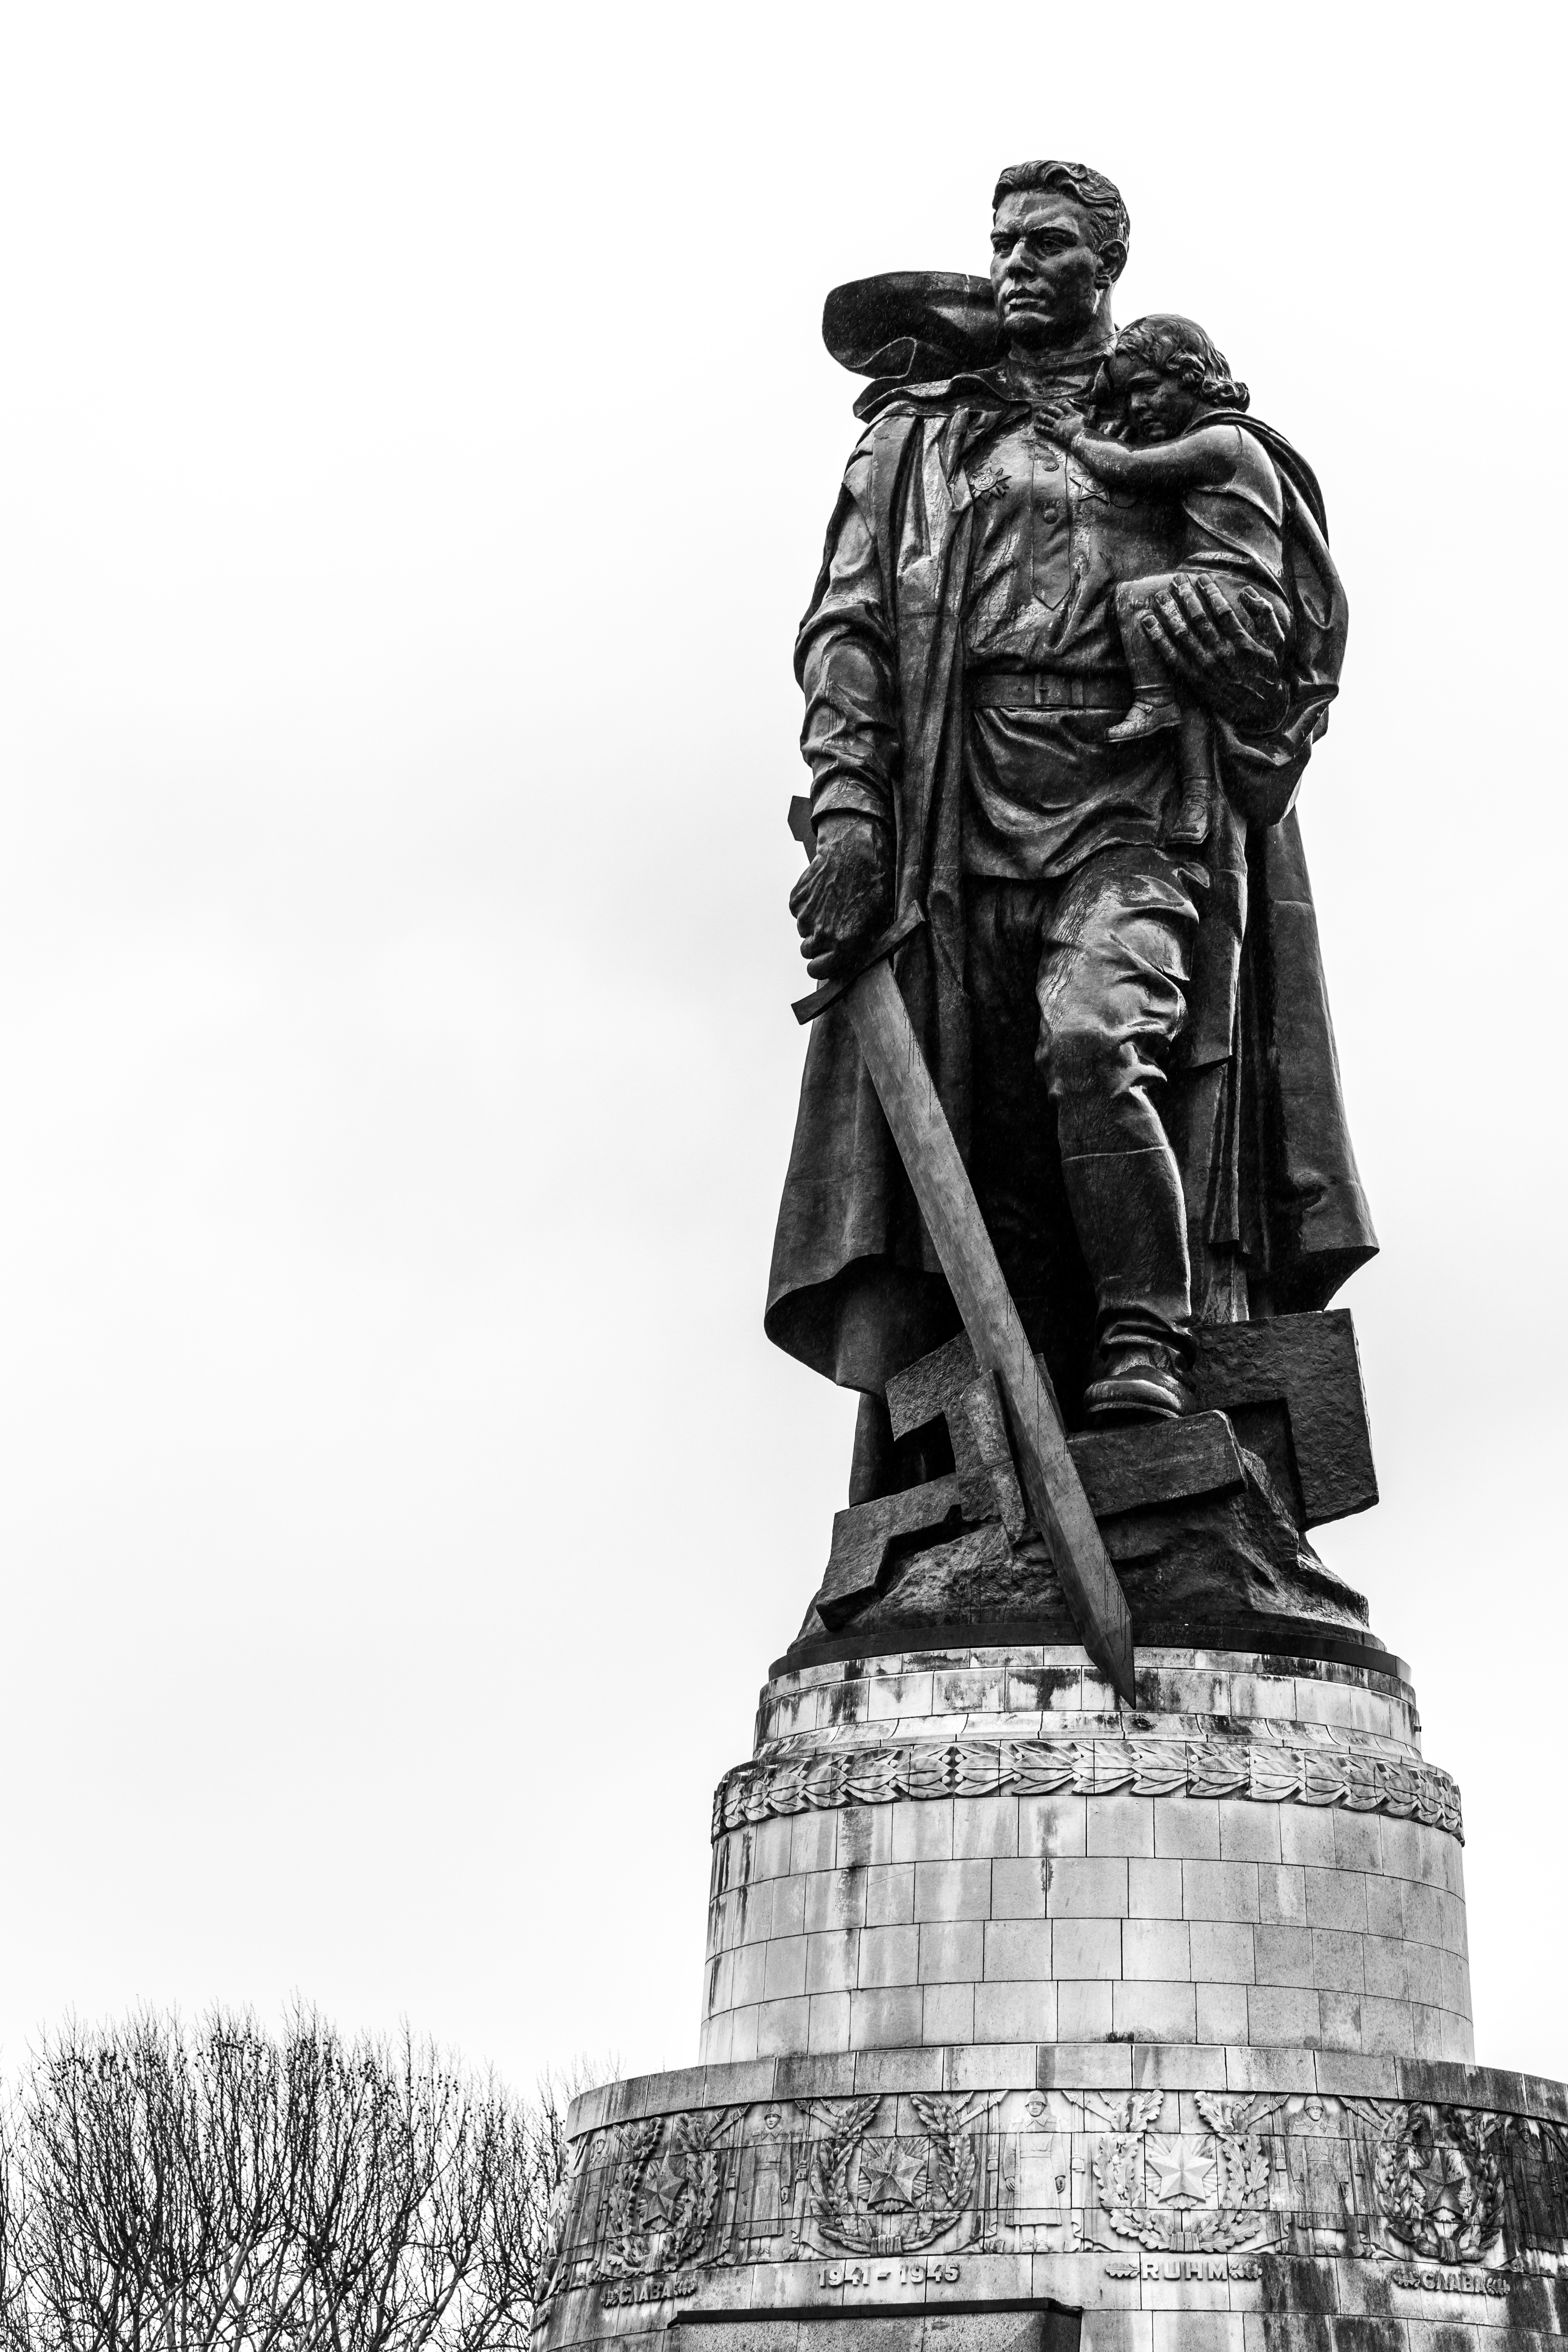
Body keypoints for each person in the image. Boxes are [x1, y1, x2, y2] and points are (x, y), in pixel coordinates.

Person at [768, 159, 1372, 1498]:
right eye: (1001, 245)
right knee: (991, 1149)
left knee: (1098, 1041)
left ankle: (1149, 1337)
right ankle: (1021, 1443)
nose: (1015, 266)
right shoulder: (921, 439)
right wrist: (851, 813)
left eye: (1045, 243)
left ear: (1108, 262)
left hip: (1136, 805)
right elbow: (849, 632)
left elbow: (1292, 654)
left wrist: (1240, 663)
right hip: (959, 820)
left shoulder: (1186, 423)